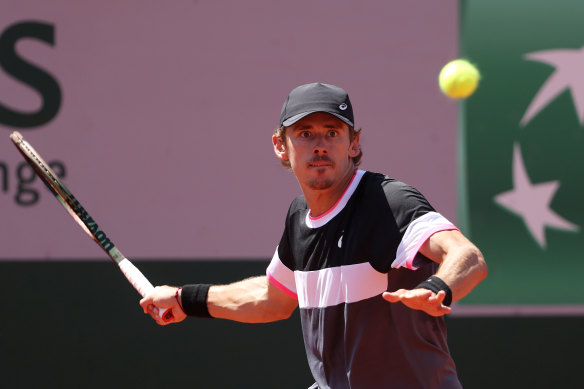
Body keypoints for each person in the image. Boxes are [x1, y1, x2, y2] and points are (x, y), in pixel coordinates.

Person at [140, 82, 487, 389]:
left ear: (354, 143)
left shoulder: (387, 201)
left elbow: (466, 256)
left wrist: (437, 287)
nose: (320, 145)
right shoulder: (299, 219)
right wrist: (185, 299)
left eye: (333, 133)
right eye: (305, 133)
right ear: (280, 145)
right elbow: (271, 298)